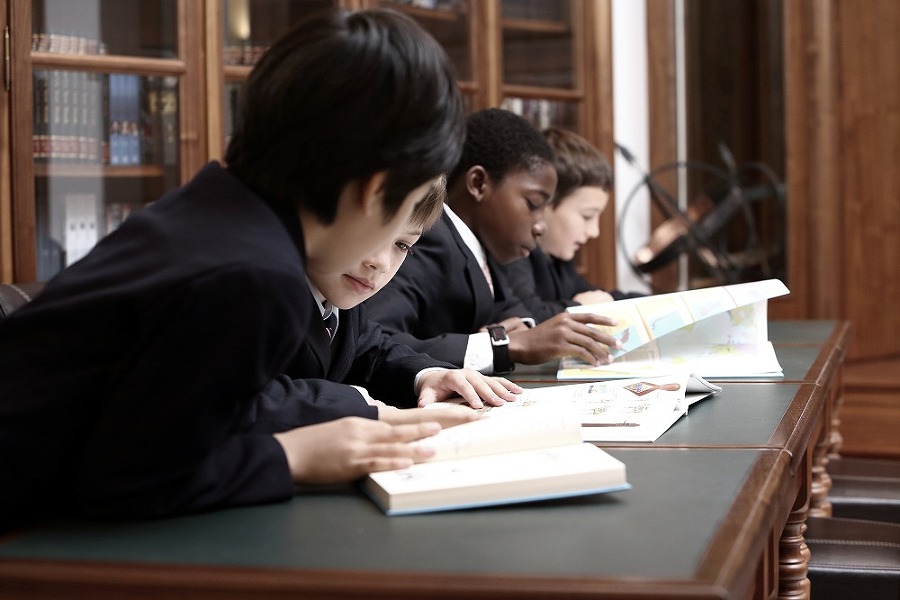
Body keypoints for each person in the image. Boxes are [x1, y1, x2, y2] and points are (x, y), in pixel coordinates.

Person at [0, 8, 516, 531]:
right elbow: (131, 479)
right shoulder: (251, 274)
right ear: (375, 190)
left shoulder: (220, 212)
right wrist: (295, 455)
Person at [364, 108, 621, 376]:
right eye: (533, 204)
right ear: (478, 184)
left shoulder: (481, 246)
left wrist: (521, 327)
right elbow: (377, 341)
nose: (541, 225)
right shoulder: (431, 238)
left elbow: (508, 309)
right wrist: (502, 345)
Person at [503, 127, 643, 323]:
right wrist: (580, 308)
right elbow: (529, 316)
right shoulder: (513, 254)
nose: (594, 232)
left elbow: (594, 295)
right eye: (587, 216)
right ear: (544, 202)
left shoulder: (557, 260)